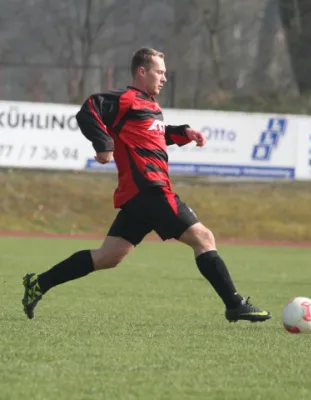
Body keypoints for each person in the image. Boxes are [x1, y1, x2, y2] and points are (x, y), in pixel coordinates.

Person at [22, 47, 272, 323]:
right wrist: (104, 145)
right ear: (142, 71)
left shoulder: (151, 106)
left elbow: (155, 136)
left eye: (165, 73)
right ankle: (235, 304)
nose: (164, 78)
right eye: (160, 72)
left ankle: (38, 283)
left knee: (108, 257)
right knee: (203, 238)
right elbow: (88, 109)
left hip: (137, 197)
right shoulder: (125, 99)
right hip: (149, 190)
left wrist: (185, 133)